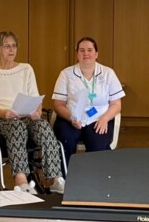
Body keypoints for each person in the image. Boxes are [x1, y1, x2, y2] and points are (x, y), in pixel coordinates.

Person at [0, 30, 65, 194]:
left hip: (25, 115)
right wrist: (3, 113)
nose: (11, 50)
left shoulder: (26, 69)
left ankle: (55, 178)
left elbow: (36, 97)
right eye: (7, 46)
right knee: (16, 126)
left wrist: (37, 112)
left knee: (42, 125)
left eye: (14, 46)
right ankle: (21, 180)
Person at [52, 37, 125, 167]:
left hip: (99, 118)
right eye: (82, 50)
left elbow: (116, 104)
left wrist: (105, 119)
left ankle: (93, 181)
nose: (86, 54)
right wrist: (71, 118)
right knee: (65, 139)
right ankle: (64, 179)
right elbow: (58, 105)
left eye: (90, 50)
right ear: (77, 54)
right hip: (71, 117)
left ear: (96, 54)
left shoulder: (108, 73)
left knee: (98, 145)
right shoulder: (66, 74)